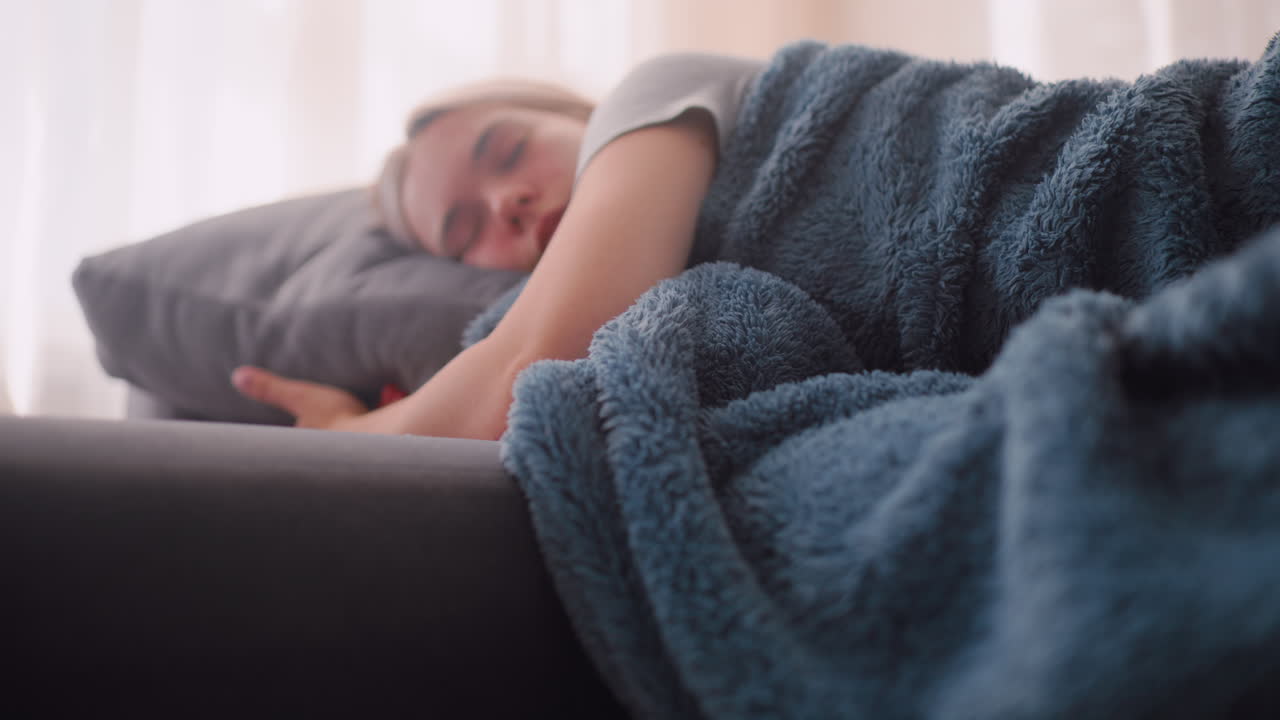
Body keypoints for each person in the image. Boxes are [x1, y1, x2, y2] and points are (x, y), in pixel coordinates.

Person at [231, 53, 764, 439]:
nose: (507, 200)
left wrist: (346, 429)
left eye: (510, 152)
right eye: (465, 232)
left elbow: (533, 361)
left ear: (579, 116)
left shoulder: (657, 88)